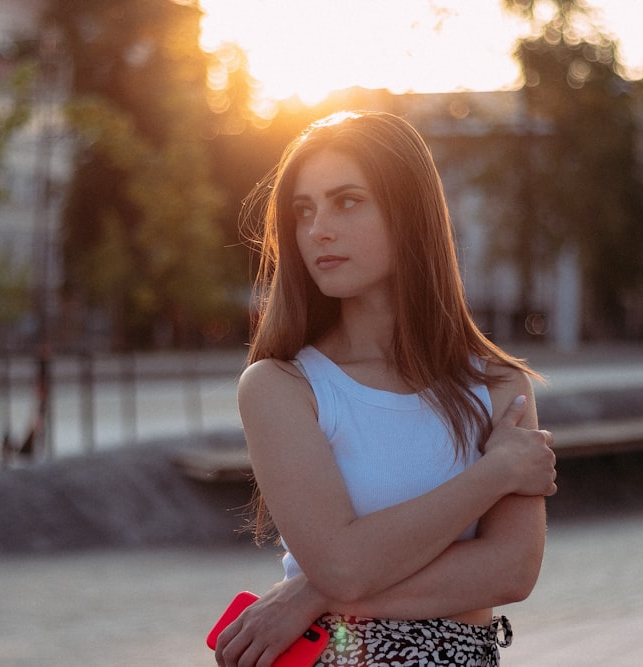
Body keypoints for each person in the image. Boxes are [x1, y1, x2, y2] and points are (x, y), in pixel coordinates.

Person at [215, 110, 557, 667]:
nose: (318, 228)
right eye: (304, 210)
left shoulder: (496, 384)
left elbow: (512, 572)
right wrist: (494, 475)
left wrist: (314, 593)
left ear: (409, 214)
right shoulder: (282, 385)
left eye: (347, 200)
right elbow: (344, 565)